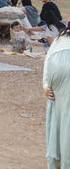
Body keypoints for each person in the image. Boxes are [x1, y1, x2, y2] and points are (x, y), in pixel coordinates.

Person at [43, 21, 70, 169]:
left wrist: (45, 85)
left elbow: (48, 59)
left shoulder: (60, 38)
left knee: (56, 118)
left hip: (54, 69)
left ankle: (56, 163)